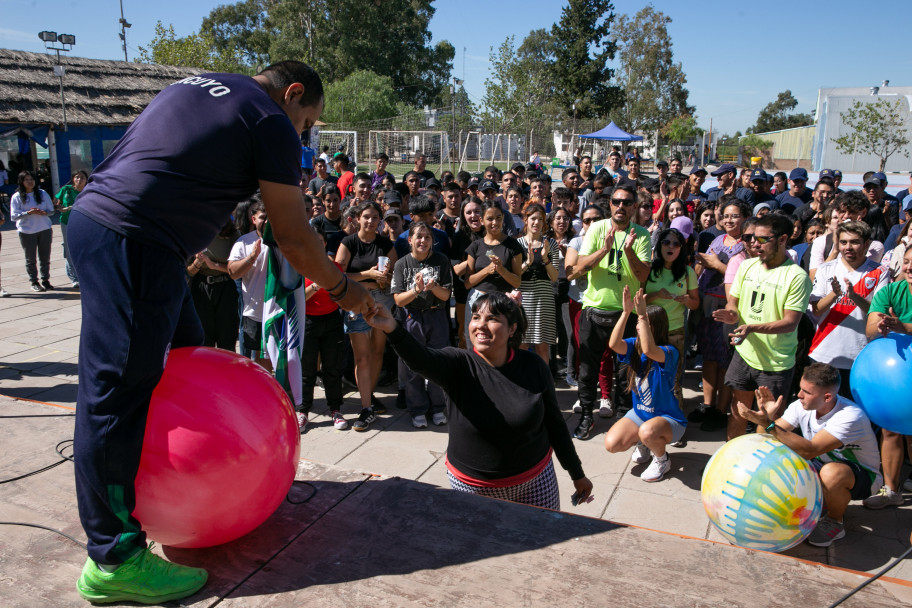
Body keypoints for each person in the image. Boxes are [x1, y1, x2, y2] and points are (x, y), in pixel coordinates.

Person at [67, 61, 371, 604]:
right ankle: (113, 557)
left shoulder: (197, 84)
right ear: (292, 93)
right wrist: (347, 289)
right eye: (306, 121)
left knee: (185, 358)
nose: (302, 134)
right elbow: (295, 238)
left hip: (114, 230)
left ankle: (191, 484)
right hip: (135, 243)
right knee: (113, 395)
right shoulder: (268, 120)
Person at [364, 291, 594, 509]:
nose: (480, 325)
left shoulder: (533, 366)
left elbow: (555, 425)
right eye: (476, 317)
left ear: (512, 328)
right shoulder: (457, 363)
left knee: (546, 543)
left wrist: (577, 473)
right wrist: (392, 328)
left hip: (535, 482)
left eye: (492, 318)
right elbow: (420, 360)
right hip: (472, 488)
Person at [736, 363, 882, 547]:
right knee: (780, 453)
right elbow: (764, 438)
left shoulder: (850, 416)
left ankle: (835, 521)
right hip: (820, 464)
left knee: (831, 473)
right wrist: (768, 416)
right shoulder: (800, 406)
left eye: (806, 392)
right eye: (800, 389)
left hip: (863, 476)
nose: (799, 395)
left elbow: (810, 450)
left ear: (827, 397)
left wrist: (769, 424)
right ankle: (819, 503)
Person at [713, 213, 812, 440]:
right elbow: (734, 303)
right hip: (744, 355)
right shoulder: (747, 266)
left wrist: (752, 328)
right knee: (738, 412)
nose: (755, 244)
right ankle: (731, 461)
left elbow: (790, 323)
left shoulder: (796, 276)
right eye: (753, 238)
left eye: (763, 239)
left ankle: (758, 469)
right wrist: (731, 314)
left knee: (766, 420)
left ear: (783, 239)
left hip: (775, 363)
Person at [572, 185, 651, 439]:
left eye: (627, 202)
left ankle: (623, 419)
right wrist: (604, 249)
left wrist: (628, 251)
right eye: (616, 201)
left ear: (634, 207)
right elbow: (578, 268)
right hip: (594, 309)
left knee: (625, 370)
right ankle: (586, 415)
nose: (620, 206)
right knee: (587, 370)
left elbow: (643, 276)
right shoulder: (597, 228)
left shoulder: (641, 235)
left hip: (625, 314)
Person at [603, 286, 686, 482]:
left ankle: (662, 459)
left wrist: (641, 315)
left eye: (644, 322)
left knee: (647, 431)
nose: (638, 325)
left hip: (669, 420)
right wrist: (625, 313)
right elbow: (614, 344)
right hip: (641, 415)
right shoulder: (634, 345)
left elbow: (649, 351)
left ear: (655, 326)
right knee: (611, 443)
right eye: (640, 321)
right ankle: (645, 443)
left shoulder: (669, 351)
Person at [809, 221, 889, 397]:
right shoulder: (826, 269)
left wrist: (854, 296)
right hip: (824, 353)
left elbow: (878, 313)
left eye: (854, 242)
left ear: (866, 244)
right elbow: (816, 310)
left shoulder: (880, 272)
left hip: (860, 357)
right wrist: (834, 295)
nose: (848, 247)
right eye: (843, 242)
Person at [336, 201, 397, 431]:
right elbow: (338, 274)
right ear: (357, 218)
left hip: (381, 299)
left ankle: (368, 399)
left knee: (377, 351)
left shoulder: (385, 245)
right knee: (361, 356)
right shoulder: (348, 242)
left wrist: (385, 279)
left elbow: (395, 275)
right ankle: (365, 406)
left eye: (374, 218)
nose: (370, 221)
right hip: (357, 300)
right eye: (366, 217)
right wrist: (367, 274)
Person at [690, 197, 747, 431]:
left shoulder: (747, 246)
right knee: (709, 357)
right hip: (706, 302)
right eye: (725, 215)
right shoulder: (717, 239)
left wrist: (717, 265)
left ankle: (721, 410)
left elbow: (742, 279)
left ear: (745, 218)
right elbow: (703, 267)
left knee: (725, 359)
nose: (729, 220)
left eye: (735, 215)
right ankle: (707, 404)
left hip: (728, 306)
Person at [863, 246, 912, 509]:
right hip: (895, 378)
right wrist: (881, 325)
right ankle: (890, 490)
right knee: (891, 429)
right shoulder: (891, 291)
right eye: (906, 262)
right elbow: (870, 327)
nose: (910, 268)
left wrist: (903, 327)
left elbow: (904, 327)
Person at [391, 222, 453, 427]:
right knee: (413, 365)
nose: (423, 241)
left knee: (437, 362)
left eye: (427, 237)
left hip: (436, 316)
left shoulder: (441, 260)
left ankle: (437, 408)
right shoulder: (402, 264)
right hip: (412, 317)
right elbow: (399, 300)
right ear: (410, 240)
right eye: (419, 237)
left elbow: (446, 296)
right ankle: (417, 409)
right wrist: (416, 290)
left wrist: (433, 286)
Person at [300, 228, 348, 431]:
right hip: (308, 321)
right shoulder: (299, 266)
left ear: (325, 243)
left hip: (331, 321)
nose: (317, 244)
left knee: (332, 368)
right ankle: (303, 411)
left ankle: (335, 410)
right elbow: (298, 299)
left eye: (320, 241)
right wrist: (317, 286)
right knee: (307, 369)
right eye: (313, 241)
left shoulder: (334, 266)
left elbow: (342, 293)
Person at [645, 227, 699, 407]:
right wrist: (656, 295)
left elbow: (695, 303)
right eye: (666, 242)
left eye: (676, 244)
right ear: (659, 245)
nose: (671, 247)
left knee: (674, 377)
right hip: (650, 330)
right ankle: (650, 413)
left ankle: (674, 418)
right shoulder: (649, 269)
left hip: (675, 331)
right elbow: (638, 300)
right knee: (649, 375)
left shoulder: (687, 272)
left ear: (681, 249)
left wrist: (686, 300)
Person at [464, 200, 524, 342]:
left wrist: (501, 270)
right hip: (477, 300)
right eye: (490, 219)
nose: (494, 223)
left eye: (498, 218)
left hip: (503, 301)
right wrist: (487, 270)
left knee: (502, 343)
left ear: (503, 218)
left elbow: (517, 281)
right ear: (482, 220)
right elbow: (467, 283)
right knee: (476, 341)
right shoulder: (475, 246)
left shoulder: (513, 246)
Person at [188, 219, 240, 351]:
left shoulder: (232, 234)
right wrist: (198, 263)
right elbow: (188, 272)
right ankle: (206, 370)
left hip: (225, 287)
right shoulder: (194, 233)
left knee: (227, 336)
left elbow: (237, 268)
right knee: (204, 338)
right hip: (202, 288)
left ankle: (226, 370)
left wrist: (214, 265)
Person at [517, 203, 560, 363]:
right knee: (521, 344)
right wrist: (528, 262)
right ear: (526, 220)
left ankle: (544, 384)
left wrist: (545, 259)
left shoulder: (551, 244)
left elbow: (554, 276)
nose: (536, 223)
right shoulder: (518, 244)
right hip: (523, 299)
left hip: (544, 300)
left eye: (540, 219)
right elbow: (514, 275)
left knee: (542, 346)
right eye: (533, 219)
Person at [10, 170, 55, 292]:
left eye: (32, 179)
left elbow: (51, 211)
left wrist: (44, 212)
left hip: (44, 229)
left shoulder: (42, 193)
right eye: (27, 180)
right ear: (21, 182)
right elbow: (14, 216)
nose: (30, 182)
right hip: (26, 231)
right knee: (30, 258)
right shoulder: (17, 196)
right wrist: (28, 213)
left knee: (45, 257)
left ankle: (46, 280)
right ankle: (34, 281)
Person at [54, 169, 88, 287]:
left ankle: (83, 273)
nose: (79, 180)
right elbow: (56, 203)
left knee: (83, 247)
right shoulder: (66, 189)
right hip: (67, 221)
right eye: (77, 177)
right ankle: (73, 276)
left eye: (82, 177)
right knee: (69, 248)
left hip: (83, 222)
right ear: (73, 178)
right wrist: (60, 207)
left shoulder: (89, 191)